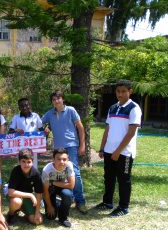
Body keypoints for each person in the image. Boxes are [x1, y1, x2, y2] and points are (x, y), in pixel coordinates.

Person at [96, 80, 142, 217]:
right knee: (108, 178)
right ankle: (107, 202)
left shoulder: (134, 108)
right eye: (118, 91)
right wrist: (102, 147)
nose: (120, 94)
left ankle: (123, 207)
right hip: (109, 151)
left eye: (123, 91)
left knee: (124, 179)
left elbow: (131, 132)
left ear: (130, 91)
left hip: (124, 153)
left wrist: (117, 151)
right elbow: (108, 128)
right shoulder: (112, 108)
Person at [41, 91, 87, 214]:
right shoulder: (50, 114)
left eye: (59, 98)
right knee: (60, 173)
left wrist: (82, 145)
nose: (57, 101)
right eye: (54, 99)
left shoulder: (71, 110)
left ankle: (80, 201)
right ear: (52, 102)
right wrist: (45, 129)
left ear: (63, 99)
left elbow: (81, 128)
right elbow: (38, 123)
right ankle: (68, 198)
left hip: (71, 146)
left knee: (75, 173)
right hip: (58, 149)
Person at [6, 148, 43, 226]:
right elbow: (10, 192)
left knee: (37, 221)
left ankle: (25, 212)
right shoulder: (15, 171)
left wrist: (37, 212)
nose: (26, 165)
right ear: (19, 162)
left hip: (27, 197)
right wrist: (30, 195)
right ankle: (11, 214)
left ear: (32, 162)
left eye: (29, 162)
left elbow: (38, 193)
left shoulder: (36, 173)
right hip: (15, 195)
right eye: (23, 162)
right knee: (17, 202)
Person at [42, 148, 75, 228]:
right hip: (50, 189)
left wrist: (53, 182)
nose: (62, 162)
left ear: (68, 160)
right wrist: (50, 207)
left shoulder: (69, 165)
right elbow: (45, 191)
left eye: (64, 159)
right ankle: (56, 203)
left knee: (68, 194)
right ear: (53, 159)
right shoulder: (47, 170)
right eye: (58, 159)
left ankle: (63, 218)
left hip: (61, 186)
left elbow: (71, 185)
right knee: (51, 217)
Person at [9, 97, 44, 168]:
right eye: (22, 106)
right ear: (19, 108)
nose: (24, 107)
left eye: (26, 105)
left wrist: (41, 146)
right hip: (20, 148)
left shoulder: (35, 116)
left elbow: (42, 131)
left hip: (33, 147)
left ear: (29, 105)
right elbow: (10, 132)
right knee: (21, 166)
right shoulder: (16, 117)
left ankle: (33, 179)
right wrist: (16, 130)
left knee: (33, 166)